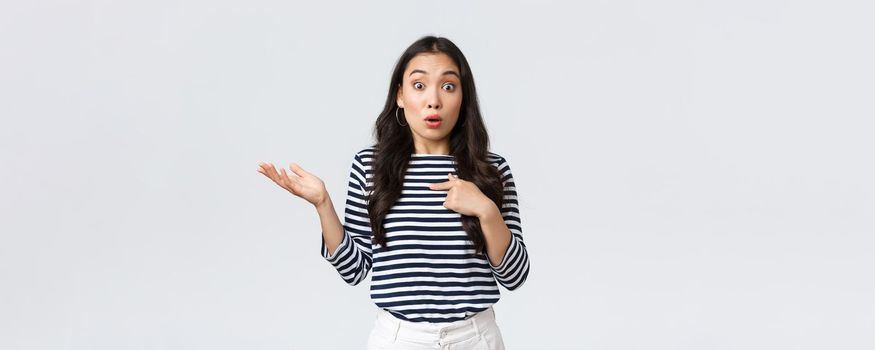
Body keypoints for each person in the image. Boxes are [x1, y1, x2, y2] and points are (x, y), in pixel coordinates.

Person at [257, 35, 529, 350]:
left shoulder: (491, 170)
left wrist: (486, 210)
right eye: (419, 85)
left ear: (463, 98)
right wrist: (322, 204)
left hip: (475, 338)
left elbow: (514, 275)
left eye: (448, 86)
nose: (433, 101)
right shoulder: (370, 167)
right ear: (400, 96)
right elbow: (353, 268)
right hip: (399, 340)